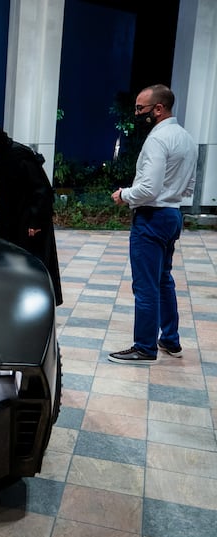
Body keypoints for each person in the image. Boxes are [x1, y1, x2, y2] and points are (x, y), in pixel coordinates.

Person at [107, 84, 197, 364]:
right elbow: (189, 186)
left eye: (140, 108)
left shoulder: (158, 140)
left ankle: (145, 348)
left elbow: (148, 188)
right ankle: (170, 340)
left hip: (152, 216)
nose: (136, 113)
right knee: (163, 281)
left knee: (146, 286)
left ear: (159, 109)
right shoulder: (186, 138)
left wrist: (124, 195)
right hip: (172, 215)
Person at [0, 122, 63, 306]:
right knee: (10, 261)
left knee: (31, 264)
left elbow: (41, 191)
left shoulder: (20, 155)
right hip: (10, 218)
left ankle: (37, 303)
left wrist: (35, 222)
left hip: (28, 221)